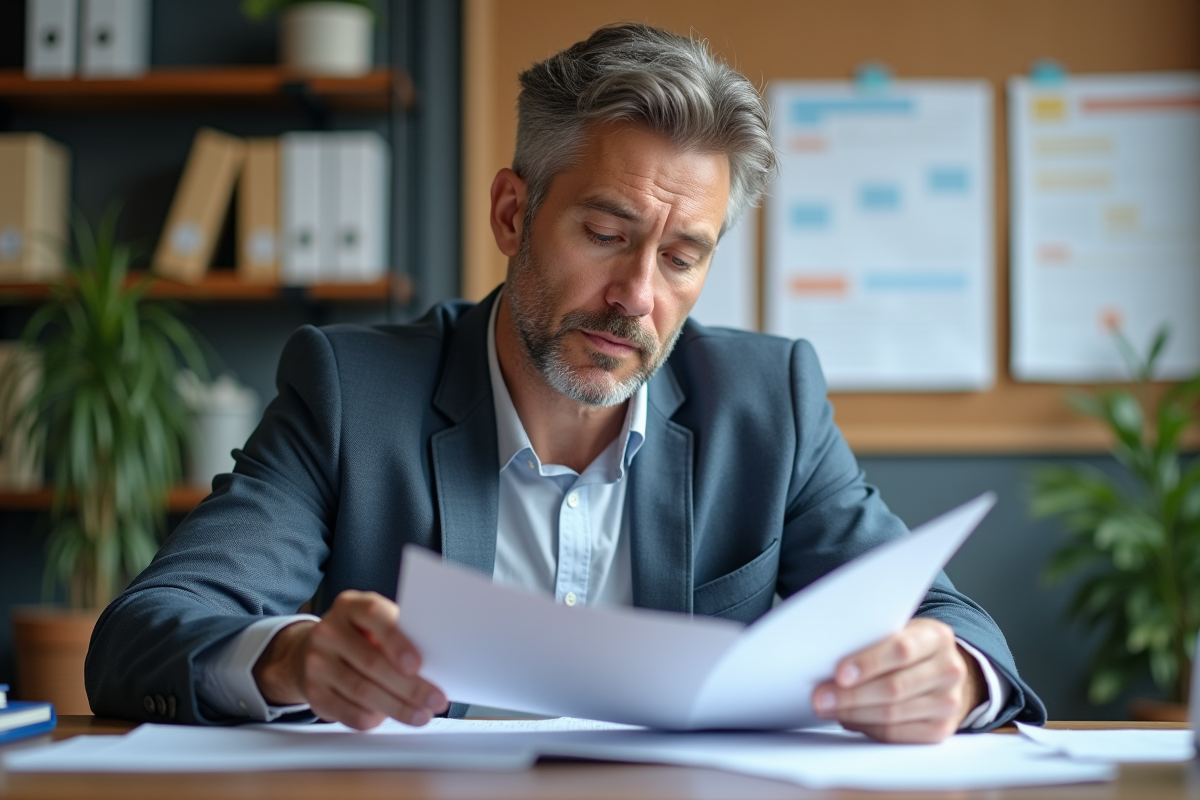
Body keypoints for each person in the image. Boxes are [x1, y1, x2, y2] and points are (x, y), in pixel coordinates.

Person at [86, 23, 1046, 743]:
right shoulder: (352, 391)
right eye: (605, 234)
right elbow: (142, 637)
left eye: (682, 257)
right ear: (513, 212)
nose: (637, 296)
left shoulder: (768, 402)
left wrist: (952, 677)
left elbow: (957, 626)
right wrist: (294, 655)